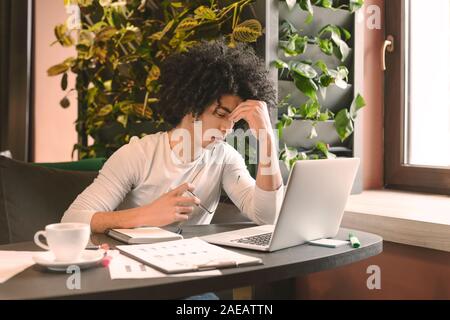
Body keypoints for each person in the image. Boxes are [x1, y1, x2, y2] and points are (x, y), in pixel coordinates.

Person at [62, 39, 284, 241]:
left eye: (234, 119)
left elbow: (268, 217)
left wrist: (266, 139)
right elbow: (72, 220)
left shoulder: (225, 158)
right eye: (220, 114)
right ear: (192, 106)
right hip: (136, 270)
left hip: (193, 269)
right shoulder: (137, 155)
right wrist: (146, 215)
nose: (228, 127)